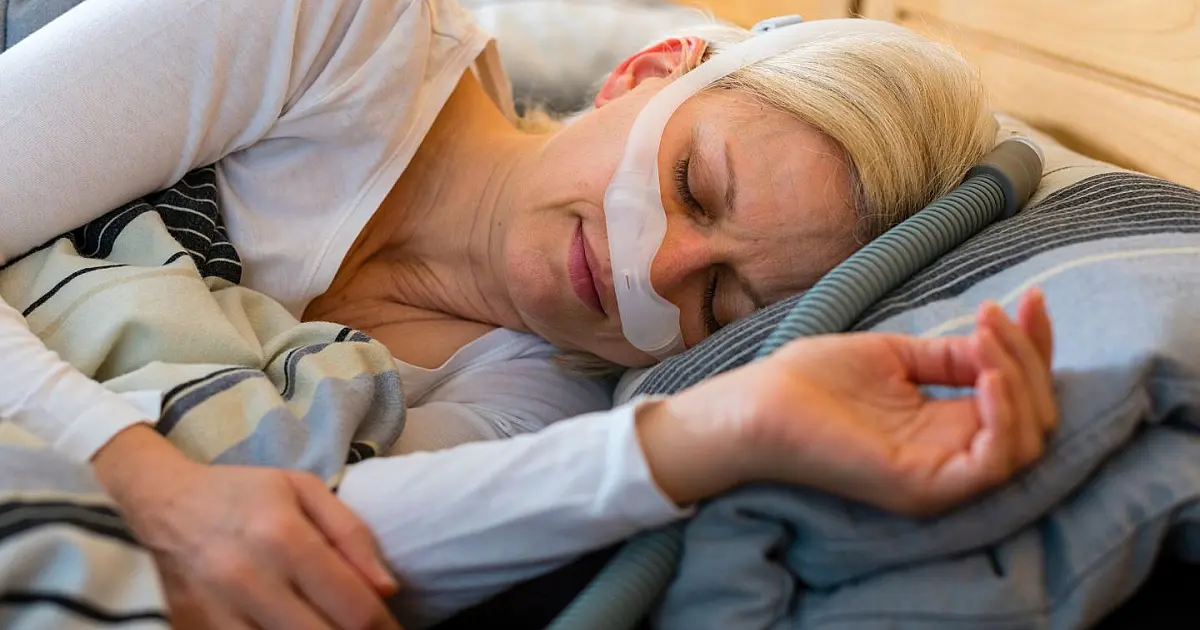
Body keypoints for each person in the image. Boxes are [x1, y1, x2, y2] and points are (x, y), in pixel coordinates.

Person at [0, 0, 1058, 628]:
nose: (660, 263)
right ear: (645, 72)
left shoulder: (546, 399)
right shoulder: (335, 30)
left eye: (720, 299)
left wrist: (733, 429)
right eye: (695, 183)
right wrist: (154, 481)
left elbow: (299, 548)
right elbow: (201, 521)